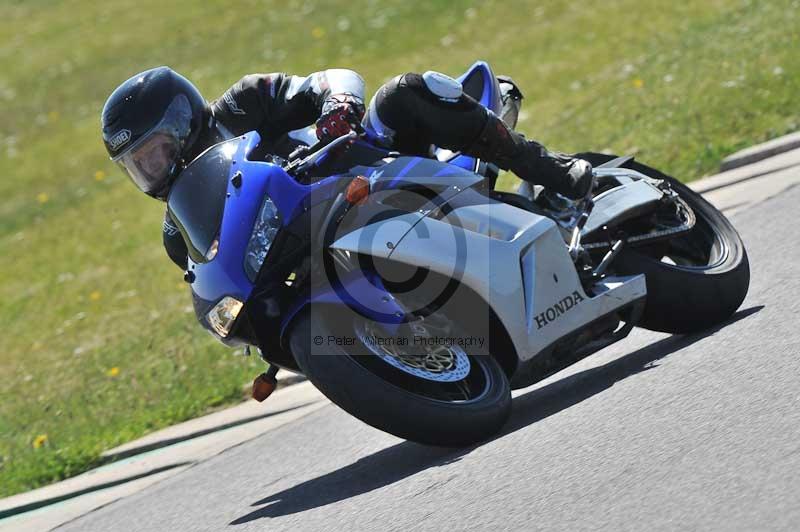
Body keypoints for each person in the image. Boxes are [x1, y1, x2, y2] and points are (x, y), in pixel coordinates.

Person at [101, 66, 593, 270]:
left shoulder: (243, 104)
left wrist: (338, 106)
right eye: (139, 165)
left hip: (368, 168)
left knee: (404, 93)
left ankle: (553, 172)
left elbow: (328, 80)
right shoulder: (179, 231)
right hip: (328, 256)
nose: (154, 169)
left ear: (182, 121)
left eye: (157, 151)